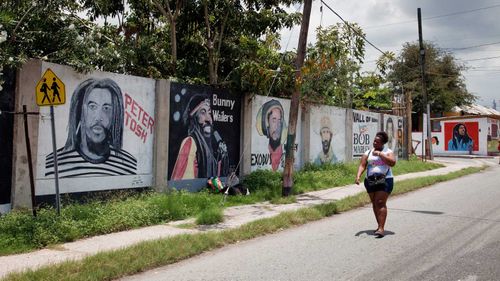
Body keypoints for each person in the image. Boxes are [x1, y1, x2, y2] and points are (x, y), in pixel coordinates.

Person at [45, 78, 137, 178]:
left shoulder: (129, 165)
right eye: (92, 106)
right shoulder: (52, 165)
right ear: (79, 111)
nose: (98, 118)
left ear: (115, 115)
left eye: (106, 108)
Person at [171, 94, 229, 180]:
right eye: (202, 112)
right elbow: (184, 184)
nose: (208, 118)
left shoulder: (213, 147)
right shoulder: (190, 142)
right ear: (194, 118)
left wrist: (222, 157)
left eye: (209, 112)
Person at [355, 131, 396, 238]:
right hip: (370, 181)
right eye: (374, 141)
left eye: (377, 142)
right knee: (374, 203)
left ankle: (381, 228)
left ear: (383, 143)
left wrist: (381, 155)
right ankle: (379, 226)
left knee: (380, 202)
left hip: (385, 180)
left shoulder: (388, 151)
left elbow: (392, 162)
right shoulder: (368, 152)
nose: (374, 143)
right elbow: (362, 165)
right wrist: (358, 176)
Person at [256, 99, 286, 171]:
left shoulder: (284, 151)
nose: (277, 125)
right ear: (266, 124)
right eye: (274, 120)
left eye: (279, 120)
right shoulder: (263, 148)